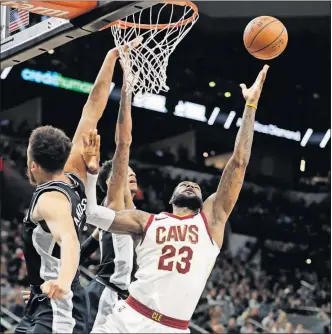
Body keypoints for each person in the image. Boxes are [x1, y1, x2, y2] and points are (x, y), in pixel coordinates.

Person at [83, 65, 269, 333]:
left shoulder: (211, 222)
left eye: (195, 185)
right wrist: (91, 176)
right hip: (128, 317)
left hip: (173, 327)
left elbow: (239, 162)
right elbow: (92, 214)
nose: (192, 183)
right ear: (170, 198)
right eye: (185, 183)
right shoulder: (147, 221)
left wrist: (250, 107)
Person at [14, 44, 126, 334]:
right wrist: (111, 57)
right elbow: (93, 107)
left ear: (33, 164)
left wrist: (62, 282)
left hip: (59, 309)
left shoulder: (51, 199)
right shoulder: (73, 172)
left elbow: (70, 241)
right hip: (42, 303)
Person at [80, 65, 139, 332]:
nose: (131, 174)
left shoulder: (128, 215)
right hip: (107, 292)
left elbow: (83, 251)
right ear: (111, 183)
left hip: (123, 297)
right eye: (125, 173)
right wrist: (127, 89)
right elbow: (123, 143)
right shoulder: (116, 204)